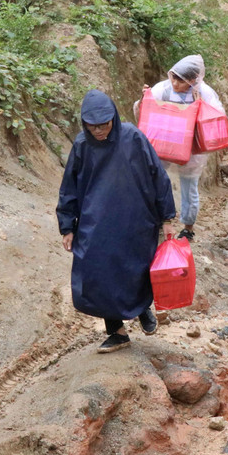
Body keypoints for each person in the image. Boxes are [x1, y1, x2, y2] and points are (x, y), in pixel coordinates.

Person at [57, 90, 176, 353]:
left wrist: (166, 217)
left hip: (136, 216)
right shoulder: (82, 146)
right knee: (97, 273)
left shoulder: (133, 137)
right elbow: (69, 188)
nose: (99, 131)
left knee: (135, 266)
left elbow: (158, 177)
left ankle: (142, 308)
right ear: (84, 123)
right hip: (95, 221)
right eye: (93, 126)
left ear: (114, 117)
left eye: (105, 124)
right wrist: (67, 225)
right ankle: (117, 331)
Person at [144, 54, 225, 242]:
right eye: (174, 78)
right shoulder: (163, 89)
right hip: (165, 144)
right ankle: (156, 218)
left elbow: (217, 118)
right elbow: (145, 111)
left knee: (189, 187)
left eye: (180, 81)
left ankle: (188, 227)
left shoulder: (204, 93)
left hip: (191, 149)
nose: (175, 84)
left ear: (193, 80)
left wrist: (201, 106)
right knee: (154, 179)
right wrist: (144, 98)